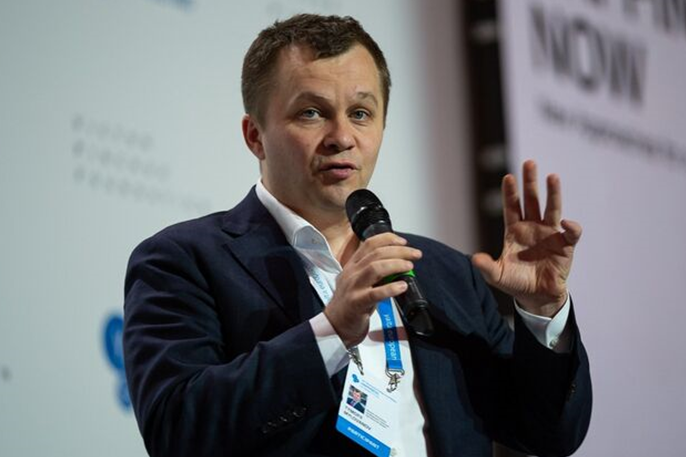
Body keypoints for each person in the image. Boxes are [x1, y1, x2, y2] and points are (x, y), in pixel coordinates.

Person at [123, 13, 591, 457]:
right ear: (255, 136)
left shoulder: (447, 274)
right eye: (311, 113)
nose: (342, 137)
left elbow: (549, 434)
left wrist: (542, 314)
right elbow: (177, 429)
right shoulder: (185, 260)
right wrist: (331, 331)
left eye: (361, 113)